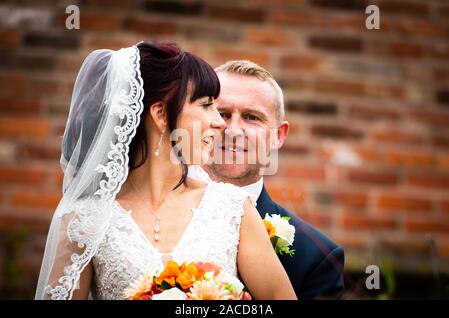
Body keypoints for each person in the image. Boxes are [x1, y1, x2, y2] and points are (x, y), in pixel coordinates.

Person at [35, 43, 296, 300]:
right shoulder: (85, 219)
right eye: (206, 105)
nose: (220, 123)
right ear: (161, 114)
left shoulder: (234, 209)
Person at [192, 60, 345, 299]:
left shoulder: (317, 258)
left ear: (278, 136)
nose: (233, 130)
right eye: (222, 114)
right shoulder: (151, 220)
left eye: (252, 117)